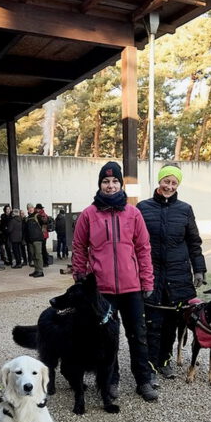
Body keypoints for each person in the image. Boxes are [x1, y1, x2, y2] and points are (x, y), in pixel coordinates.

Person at [71, 161, 158, 401]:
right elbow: (79, 247)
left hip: (132, 288)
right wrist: (80, 277)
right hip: (102, 289)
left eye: (114, 182)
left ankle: (143, 380)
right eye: (105, 182)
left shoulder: (133, 213)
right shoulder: (89, 214)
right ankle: (111, 381)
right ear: (100, 185)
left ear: (121, 185)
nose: (110, 186)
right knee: (107, 338)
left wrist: (147, 281)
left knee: (137, 335)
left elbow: (143, 249)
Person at [138, 164, 206, 379]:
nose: (169, 186)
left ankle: (164, 360)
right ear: (159, 181)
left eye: (173, 183)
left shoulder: (185, 209)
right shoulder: (142, 207)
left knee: (171, 323)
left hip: (178, 275)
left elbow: (194, 242)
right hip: (152, 273)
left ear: (178, 185)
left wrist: (199, 269)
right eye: (166, 181)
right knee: (151, 322)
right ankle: (149, 363)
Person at [24, 203, 46, 277]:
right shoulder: (27, 218)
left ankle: (40, 271)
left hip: (37, 239)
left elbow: (44, 223)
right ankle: (36, 270)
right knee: (33, 256)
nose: (30, 209)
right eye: (28, 208)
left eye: (31, 207)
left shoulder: (37, 215)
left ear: (34, 208)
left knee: (38, 255)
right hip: (30, 240)